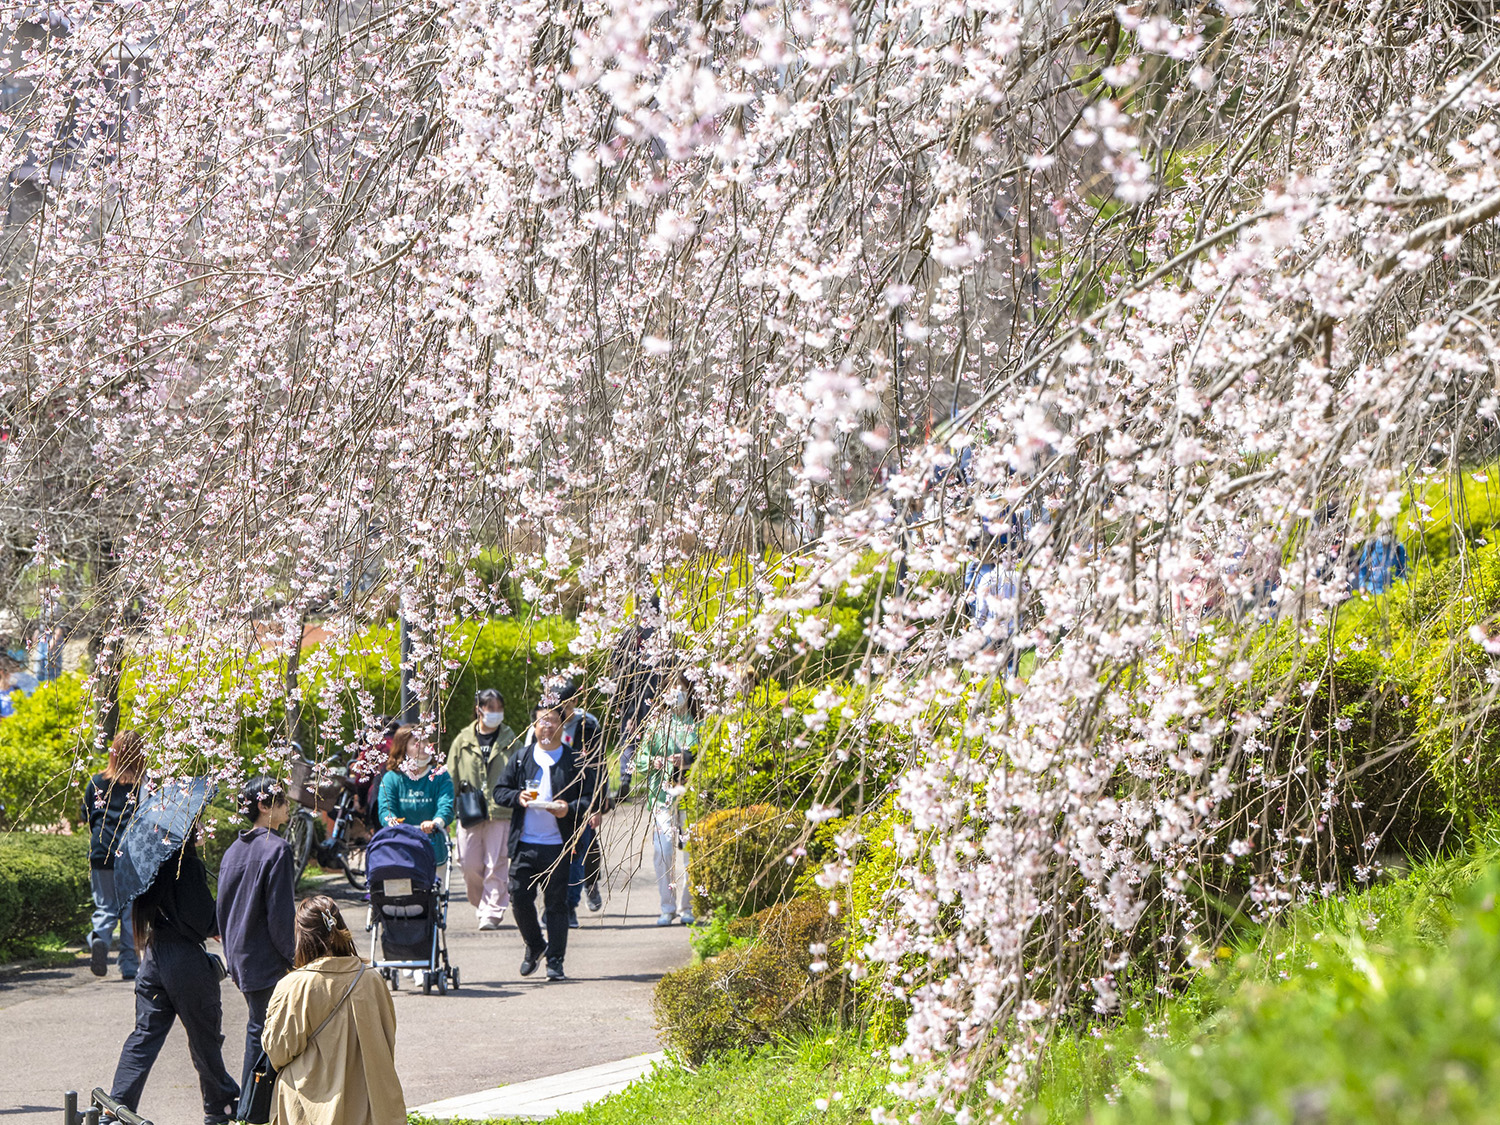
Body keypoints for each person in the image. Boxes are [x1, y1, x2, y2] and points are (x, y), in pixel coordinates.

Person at [108, 835, 240, 1124]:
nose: (205, 829)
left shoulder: (151, 861)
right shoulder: (185, 864)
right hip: (184, 960)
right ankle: (221, 1103)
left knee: (144, 1035)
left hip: (154, 955)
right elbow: (203, 919)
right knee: (204, 1035)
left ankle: (116, 1106)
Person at [263, 895, 405, 1125]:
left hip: (308, 1107)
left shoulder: (294, 986)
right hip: (371, 1105)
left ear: (301, 937)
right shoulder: (372, 980)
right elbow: (387, 1040)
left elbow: (277, 1051)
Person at [493, 700, 594, 981]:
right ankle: (535, 945)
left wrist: (569, 808)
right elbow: (499, 791)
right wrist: (517, 797)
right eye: (541, 722)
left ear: (563, 726)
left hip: (558, 845)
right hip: (525, 843)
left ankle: (556, 962)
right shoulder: (521, 758)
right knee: (519, 897)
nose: (546, 726)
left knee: (556, 905)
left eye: (552, 721)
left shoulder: (574, 760)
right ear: (534, 727)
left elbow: (593, 797)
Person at [216, 775, 297, 1095]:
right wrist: (295, 957)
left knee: (260, 1028)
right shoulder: (277, 849)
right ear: (264, 806)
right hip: (267, 957)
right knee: (265, 1032)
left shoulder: (233, 851)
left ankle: (254, 1107)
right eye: (282, 801)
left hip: (240, 955)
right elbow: (281, 914)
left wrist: (231, 958)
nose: (288, 807)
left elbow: (221, 909)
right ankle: (252, 1107)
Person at [447, 688, 518, 930]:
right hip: (469, 812)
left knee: (496, 863)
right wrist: (447, 811)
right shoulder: (462, 741)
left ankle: (492, 911)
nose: (496, 714)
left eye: (500, 709)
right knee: (468, 863)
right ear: (479, 710)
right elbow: (451, 777)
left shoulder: (511, 740)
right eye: (491, 709)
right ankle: (481, 902)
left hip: (501, 812)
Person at [634, 672, 700, 925]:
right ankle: (667, 905)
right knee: (664, 849)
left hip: (692, 795)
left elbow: (710, 755)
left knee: (691, 853)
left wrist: (688, 761)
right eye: (670, 690)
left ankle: (688, 906)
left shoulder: (700, 723)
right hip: (662, 794)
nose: (676, 694)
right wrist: (655, 761)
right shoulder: (656, 726)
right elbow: (639, 761)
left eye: (680, 688)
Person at [84, 731, 147, 979]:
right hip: (131, 854)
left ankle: (99, 937)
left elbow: (87, 815)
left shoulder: (97, 781)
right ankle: (130, 966)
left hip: (101, 850)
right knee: (131, 912)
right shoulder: (145, 783)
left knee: (105, 906)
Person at [554, 677, 607, 927]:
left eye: (565, 704)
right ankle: (559, 902)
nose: (560, 711)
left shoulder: (588, 724)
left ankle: (589, 885)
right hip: (554, 799)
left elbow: (599, 764)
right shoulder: (545, 723)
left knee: (586, 846)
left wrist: (596, 805)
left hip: (582, 796)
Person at [377, 725, 454, 864]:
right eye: (416, 743)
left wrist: (436, 823)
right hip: (401, 849)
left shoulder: (440, 775)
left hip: (434, 849)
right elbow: (386, 809)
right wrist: (393, 823)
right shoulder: (392, 778)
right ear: (403, 748)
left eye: (425, 741)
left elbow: (446, 805)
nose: (423, 746)